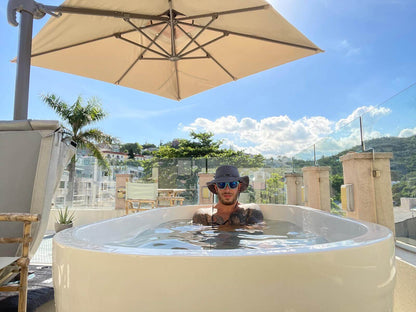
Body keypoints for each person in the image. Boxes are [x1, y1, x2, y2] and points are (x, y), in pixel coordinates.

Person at [193, 165, 263, 226]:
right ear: (216, 188)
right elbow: (198, 239)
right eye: (221, 184)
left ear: (238, 187)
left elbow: (258, 234)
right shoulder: (203, 215)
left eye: (232, 184)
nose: (227, 190)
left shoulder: (250, 211)